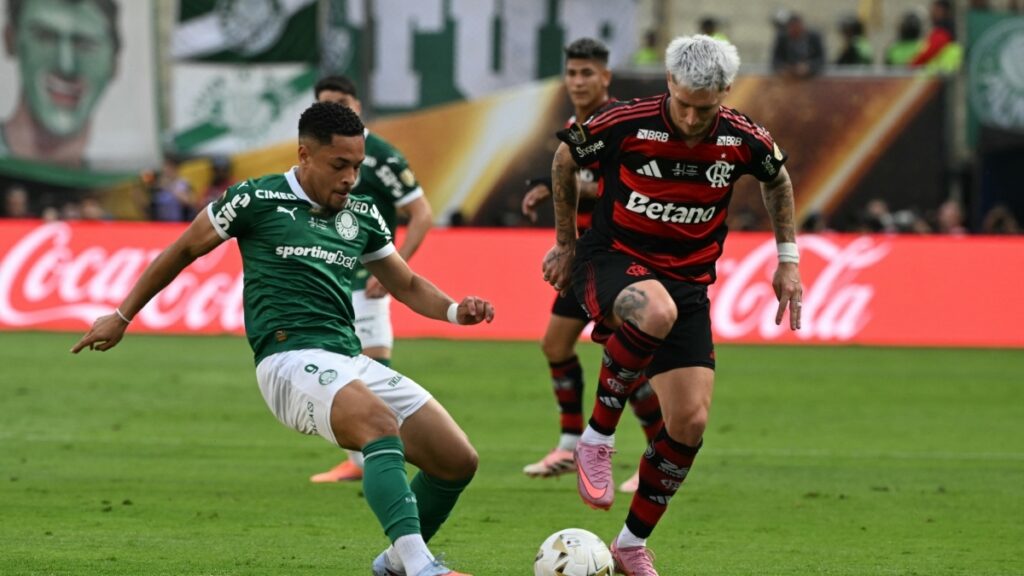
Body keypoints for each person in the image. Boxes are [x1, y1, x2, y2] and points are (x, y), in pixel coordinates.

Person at [72, 102, 493, 576]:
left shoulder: (361, 213)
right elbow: (186, 247)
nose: (351, 178)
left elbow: (408, 285)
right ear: (305, 155)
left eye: (357, 166)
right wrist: (122, 315)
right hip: (288, 362)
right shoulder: (256, 199)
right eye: (340, 165)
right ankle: (421, 568)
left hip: (348, 359)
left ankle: (395, 563)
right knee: (378, 424)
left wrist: (457, 311)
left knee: (456, 459)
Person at [542, 35, 802, 574]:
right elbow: (565, 157)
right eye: (681, 102)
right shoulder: (628, 122)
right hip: (612, 259)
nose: (689, 116)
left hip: (688, 282)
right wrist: (566, 243)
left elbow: (778, 180)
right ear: (669, 84)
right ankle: (596, 439)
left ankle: (631, 544)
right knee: (652, 311)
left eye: (702, 107)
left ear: (725, 93)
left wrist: (789, 260)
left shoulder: (742, 138)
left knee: (689, 421)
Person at [520, 38, 663, 493]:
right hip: (582, 262)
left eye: (587, 73)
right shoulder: (573, 125)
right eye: (572, 73)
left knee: (627, 359)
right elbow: (579, 175)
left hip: (617, 261)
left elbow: (621, 188)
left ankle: (656, 455)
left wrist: (563, 187)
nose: (578, 81)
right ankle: (567, 442)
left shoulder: (622, 124)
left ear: (606, 77)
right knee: (555, 345)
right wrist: (549, 183)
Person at [307, 75, 436, 484]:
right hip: (329, 276)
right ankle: (360, 460)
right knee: (338, 369)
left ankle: (380, 456)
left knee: (373, 366)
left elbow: (422, 213)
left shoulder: (380, 156)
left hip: (366, 277)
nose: (339, 110)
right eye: (329, 104)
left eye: (344, 102)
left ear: (358, 105)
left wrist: (397, 266)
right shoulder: (312, 158)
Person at [0, 0, 120, 167]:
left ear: (114, 62)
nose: (66, 65)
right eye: (45, 37)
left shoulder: (128, 175)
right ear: (10, 40)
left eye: (85, 44)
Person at [910, 0, 962, 73]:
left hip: (936, 79)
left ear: (944, 11)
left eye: (935, 9)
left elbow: (927, 54)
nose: (932, 13)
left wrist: (910, 66)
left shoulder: (942, 34)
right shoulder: (944, 33)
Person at [771, 12, 825, 78]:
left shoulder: (814, 37)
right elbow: (775, 60)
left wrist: (808, 67)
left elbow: (821, 60)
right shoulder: (782, 38)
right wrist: (784, 68)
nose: (795, 34)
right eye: (792, 30)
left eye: (797, 30)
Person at [150, 154, 195, 222]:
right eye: (165, 167)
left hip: (177, 222)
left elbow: (189, 201)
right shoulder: (159, 183)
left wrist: (169, 187)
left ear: (175, 168)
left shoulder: (182, 183)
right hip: (160, 223)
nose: (166, 170)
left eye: (168, 167)